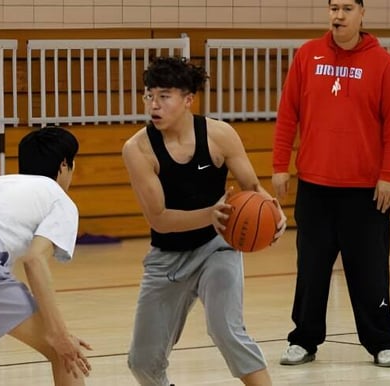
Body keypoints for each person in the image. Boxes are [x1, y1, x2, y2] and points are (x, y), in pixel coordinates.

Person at [122, 56, 284, 386]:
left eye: (164, 96)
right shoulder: (138, 149)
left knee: (227, 331)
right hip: (167, 257)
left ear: (188, 100)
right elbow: (160, 219)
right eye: (149, 95)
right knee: (142, 362)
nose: (154, 104)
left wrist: (273, 211)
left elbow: (253, 188)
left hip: (217, 247)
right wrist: (211, 214)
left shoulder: (219, 135)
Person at [272, 0, 390, 368]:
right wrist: (280, 165)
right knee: (311, 270)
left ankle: (383, 342)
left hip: (366, 191)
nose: (339, 15)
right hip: (315, 186)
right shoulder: (307, 55)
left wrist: (389, 174)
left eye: (347, 8)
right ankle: (304, 339)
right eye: (333, 8)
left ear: (362, 13)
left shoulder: (382, 63)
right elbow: (288, 114)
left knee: (370, 273)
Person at [0, 126, 91, 386]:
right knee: (63, 353)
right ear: (64, 165)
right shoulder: (58, 198)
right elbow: (34, 260)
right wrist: (59, 334)